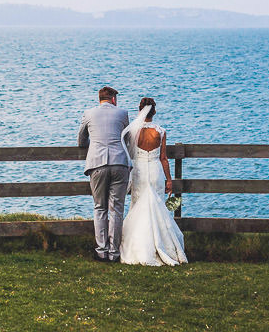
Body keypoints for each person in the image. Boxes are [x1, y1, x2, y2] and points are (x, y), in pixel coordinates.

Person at [119, 97, 187, 266]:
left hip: (139, 171)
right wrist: (169, 180)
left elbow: (129, 155)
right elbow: (164, 158)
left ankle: (138, 245)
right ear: (154, 112)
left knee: (138, 205)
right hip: (156, 170)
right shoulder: (160, 131)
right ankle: (164, 245)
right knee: (157, 207)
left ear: (140, 110)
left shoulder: (133, 132)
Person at [77, 86, 131, 262]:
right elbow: (128, 140)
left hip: (97, 163)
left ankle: (101, 251)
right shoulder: (123, 113)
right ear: (114, 99)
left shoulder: (88, 113)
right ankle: (114, 253)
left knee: (100, 208)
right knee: (116, 209)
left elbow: (81, 140)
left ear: (99, 98)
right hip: (119, 163)